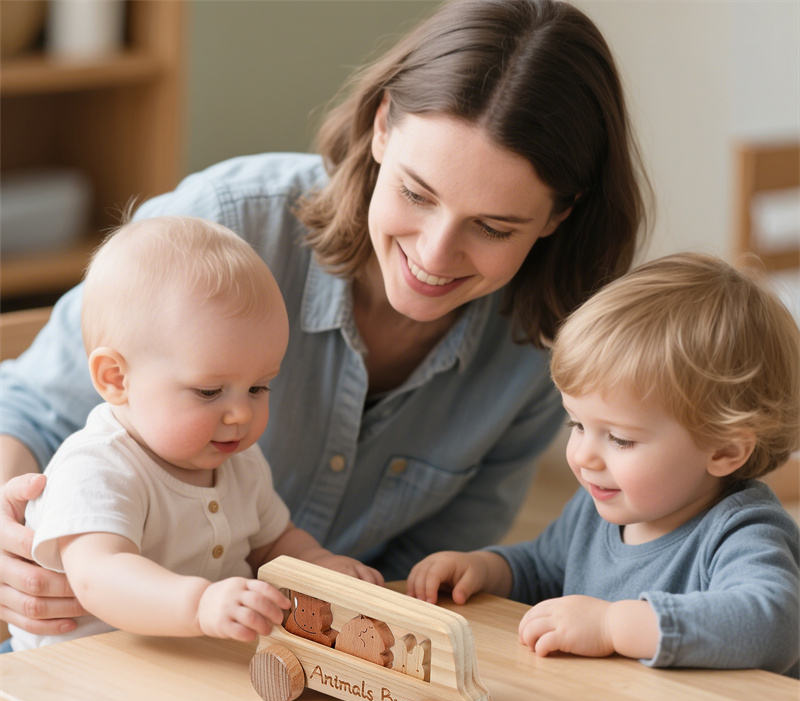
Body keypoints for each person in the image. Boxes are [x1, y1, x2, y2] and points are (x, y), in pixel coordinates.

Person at [0, 0, 649, 640]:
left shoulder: (549, 345)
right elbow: (27, 410)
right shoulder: (222, 230)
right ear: (383, 126)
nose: (433, 254)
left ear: (559, 213)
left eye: (493, 227)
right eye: (416, 193)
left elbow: (430, 568)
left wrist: (343, 592)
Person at [1, 215, 383, 701]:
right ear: (116, 378)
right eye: (210, 391)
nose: (241, 413)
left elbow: (274, 539)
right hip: (73, 697)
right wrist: (200, 603)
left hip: (180, 684)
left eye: (259, 387)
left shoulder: (239, 462)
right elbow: (101, 577)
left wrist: (319, 564)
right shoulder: (97, 466)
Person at [407, 254, 800, 676]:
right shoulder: (596, 509)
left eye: (620, 438)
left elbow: (773, 625)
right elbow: (543, 569)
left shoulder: (742, 530)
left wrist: (613, 625)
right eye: (577, 424)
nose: (582, 456)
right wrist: (486, 569)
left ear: (724, 451)